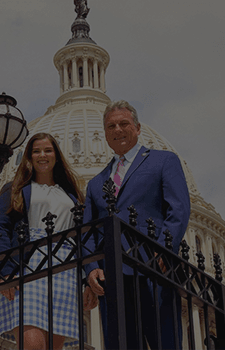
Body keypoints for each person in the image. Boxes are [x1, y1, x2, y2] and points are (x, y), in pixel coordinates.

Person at [82, 100, 189, 349]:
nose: (117, 130)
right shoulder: (96, 184)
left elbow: (179, 209)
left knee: (165, 343)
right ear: (106, 134)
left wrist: (163, 248)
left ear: (138, 128)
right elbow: (87, 232)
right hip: (112, 277)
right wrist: (90, 269)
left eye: (124, 123)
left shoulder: (163, 160)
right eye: (111, 126)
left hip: (154, 268)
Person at [0, 133, 84, 350]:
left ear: (57, 156)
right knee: (33, 345)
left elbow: (82, 236)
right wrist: (4, 272)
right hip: (27, 264)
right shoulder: (14, 189)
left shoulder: (73, 196)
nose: (42, 155)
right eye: (36, 151)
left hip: (65, 269)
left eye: (48, 150)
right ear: (29, 157)